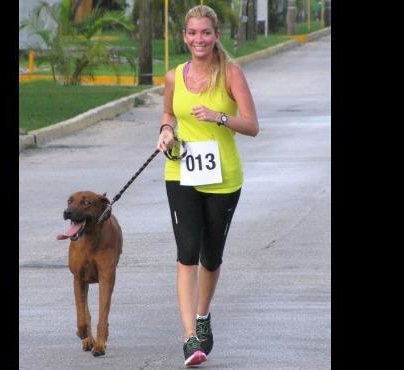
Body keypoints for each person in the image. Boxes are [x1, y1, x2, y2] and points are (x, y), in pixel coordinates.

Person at [155, 4, 259, 367]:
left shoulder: (231, 74)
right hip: (181, 173)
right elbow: (168, 113)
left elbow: (252, 125)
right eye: (193, 33)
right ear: (184, 36)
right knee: (186, 253)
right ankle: (189, 338)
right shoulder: (173, 76)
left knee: (210, 257)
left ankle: (203, 316)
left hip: (223, 178)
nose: (199, 39)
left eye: (206, 33)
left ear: (216, 36)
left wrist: (220, 117)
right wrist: (166, 131)